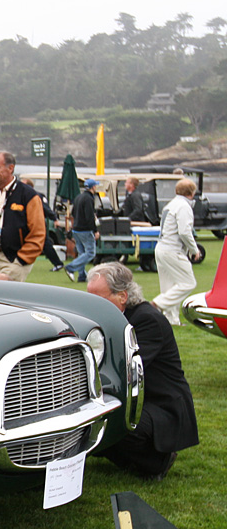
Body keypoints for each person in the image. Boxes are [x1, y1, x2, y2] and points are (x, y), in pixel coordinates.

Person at [87, 262, 199, 479]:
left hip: (163, 406)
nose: (92, 305)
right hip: (140, 399)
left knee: (111, 422)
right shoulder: (113, 319)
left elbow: (125, 370)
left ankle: (158, 462)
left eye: (99, 299)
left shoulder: (147, 320)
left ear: (123, 296)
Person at [0, 151, 46, 282]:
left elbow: (38, 233)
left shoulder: (28, 195)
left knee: (1, 292)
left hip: (15, 259)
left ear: (11, 168)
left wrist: (21, 260)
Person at [152, 179, 202, 325]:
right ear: (191, 193)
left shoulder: (171, 204)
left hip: (161, 248)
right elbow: (185, 232)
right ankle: (156, 304)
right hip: (172, 250)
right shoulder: (184, 206)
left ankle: (171, 320)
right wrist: (194, 250)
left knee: (169, 286)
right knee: (188, 283)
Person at [22, 177, 64, 271]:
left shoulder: (36, 196)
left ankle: (58, 263)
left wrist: (54, 219)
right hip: (25, 223)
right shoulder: (21, 196)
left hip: (37, 222)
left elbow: (46, 208)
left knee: (45, 243)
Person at [65, 178, 99, 283]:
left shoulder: (78, 197)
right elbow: (89, 217)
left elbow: (73, 213)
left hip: (76, 229)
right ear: (93, 187)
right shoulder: (89, 199)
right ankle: (71, 267)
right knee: (90, 253)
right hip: (85, 230)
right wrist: (95, 230)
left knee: (81, 253)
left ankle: (82, 276)